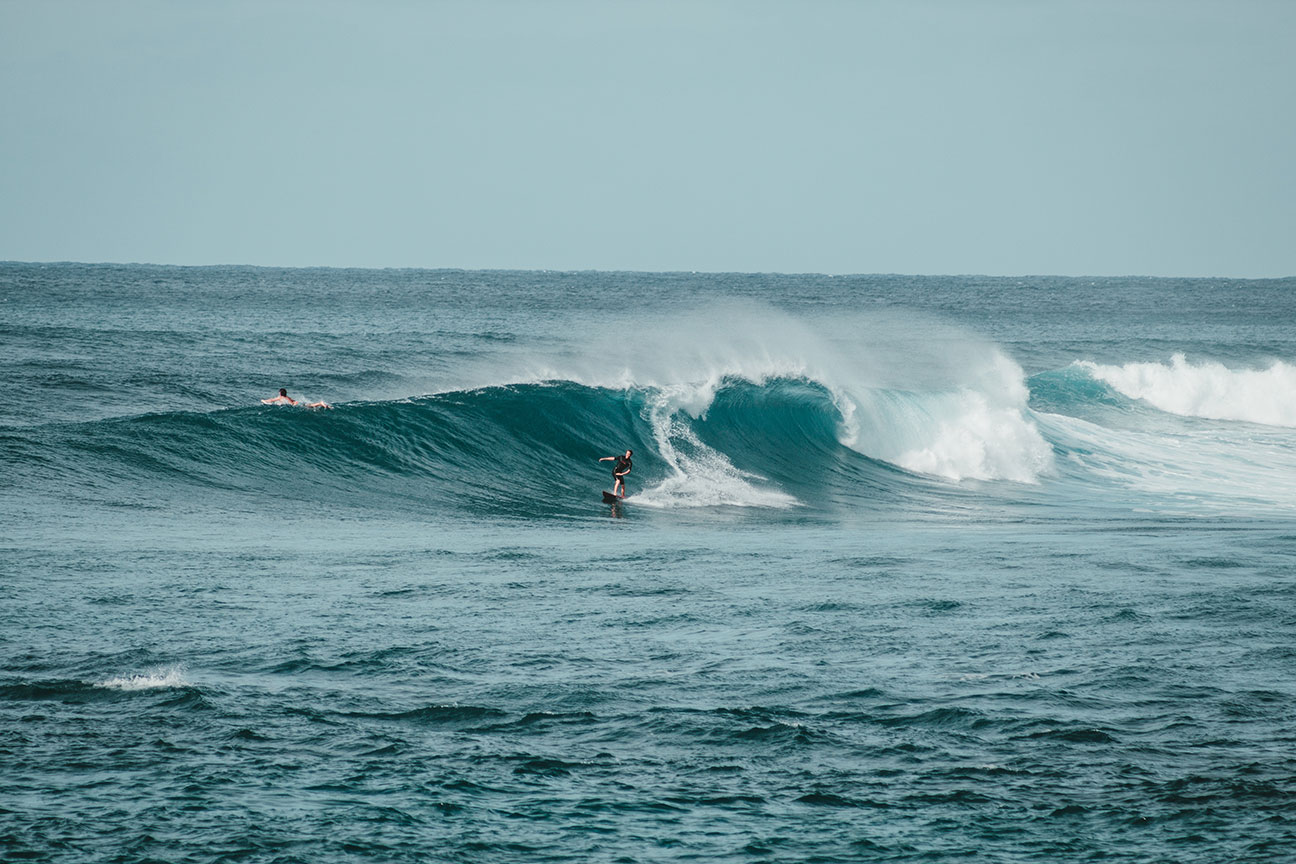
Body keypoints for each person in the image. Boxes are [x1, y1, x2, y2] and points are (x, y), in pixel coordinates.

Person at [262, 388, 331, 409]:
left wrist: (265, 401)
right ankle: (321, 404)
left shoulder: (280, 397)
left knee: (309, 407)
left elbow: (272, 400)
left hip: (296, 405)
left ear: (280, 393)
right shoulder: (286, 397)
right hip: (297, 402)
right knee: (310, 406)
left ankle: (320, 403)